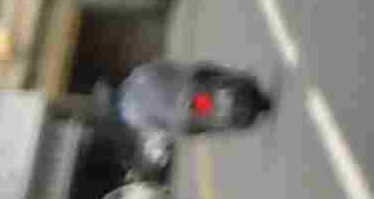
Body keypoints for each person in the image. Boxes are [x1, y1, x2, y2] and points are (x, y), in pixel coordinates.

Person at [116, 56, 275, 140]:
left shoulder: (131, 116)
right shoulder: (141, 73)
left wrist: (176, 126)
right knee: (206, 69)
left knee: (206, 124)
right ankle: (239, 79)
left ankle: (230, 119)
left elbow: (159, 128)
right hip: (191, 88)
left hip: (185, 116)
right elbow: (171, 66)